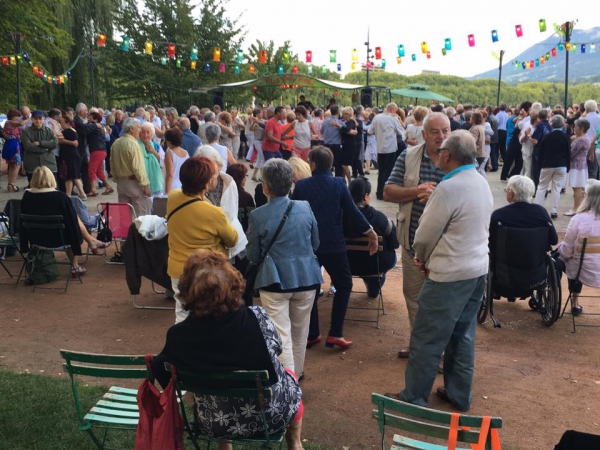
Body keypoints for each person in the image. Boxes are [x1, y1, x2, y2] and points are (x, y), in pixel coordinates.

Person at [153, 249, 303, 449]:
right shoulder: (257, 318)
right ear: (233, 283)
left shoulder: (178, 336)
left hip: (214, 422)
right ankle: (295, 444)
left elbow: (162, 370)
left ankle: (225, 446)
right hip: (270, 417)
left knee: (219, 395)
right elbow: (276, 348)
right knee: (291, 377)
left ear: (187, 288)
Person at [394, 130, 493, 412]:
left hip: (449, 274)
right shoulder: (480, 181)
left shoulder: (448, 188)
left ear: (447, 156)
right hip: (476, 270)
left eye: (441, 152)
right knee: (463, 335)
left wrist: (421, 259)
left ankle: (413, 398)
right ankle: (458, 394)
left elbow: (424, 236)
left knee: (427, 338)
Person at [292, 146, 378, 349]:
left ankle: (312, 333)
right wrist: (371, 232)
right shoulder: (339, 183)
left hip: (309, 245)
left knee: (311, 287)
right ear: (330, 164)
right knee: (344, 284)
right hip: (333, 244)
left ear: (312, 164)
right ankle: (335, 332)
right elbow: (353, 212)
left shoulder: (302, 186)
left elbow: (294, 214)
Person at [247, 159, 322, 377]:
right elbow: (315, 243)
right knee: (300, 332)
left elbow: (253, 255)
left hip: (273, 281)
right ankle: (296, 374)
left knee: (282, 335)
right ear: (291, 183)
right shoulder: (305, 207)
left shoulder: (257, 215)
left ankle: (288, 381)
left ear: (265, 187)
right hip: (307, 276)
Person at [383, 112, 449, 358]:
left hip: (446, 247)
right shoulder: (408, 155)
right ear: (423, 134)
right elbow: (388, 192)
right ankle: (419, 345)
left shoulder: (460, 159)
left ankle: (439, 351)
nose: (441, 137)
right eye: (435, 132)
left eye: (445, 131)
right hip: (412, 244)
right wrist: (416, 190)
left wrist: (440, 197)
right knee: (414, 298)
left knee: (442, 302)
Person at [166, 157, 238, 323]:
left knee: (182, 313)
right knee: (210, 315)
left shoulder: (173, 197)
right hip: (206, 272)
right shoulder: (213, 213)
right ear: (206, 184)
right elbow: (232, 239)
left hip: (178, 268)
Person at [20, 167, 111, 276]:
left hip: (36, 238)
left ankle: (91, 241)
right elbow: (71, 223)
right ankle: (76, 265)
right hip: (60, 239)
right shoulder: (60, 197)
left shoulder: (27, 196)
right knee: (72, 223)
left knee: (71, 220)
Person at [489, 176, 558, 284]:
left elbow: (491, 243)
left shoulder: (499, 215)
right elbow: (553, 240)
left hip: (504, 273)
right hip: (535, 271)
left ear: (511, 194)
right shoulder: (541, 212)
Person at [347, 178, 399, 297]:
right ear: (366, 196)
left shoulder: (340, 216)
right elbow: (395, 243)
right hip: (375, 265)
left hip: (347, 265)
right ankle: (374, 289)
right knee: (388, 257)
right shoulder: (379, 218)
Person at [558, 179, 600, 316]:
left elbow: (567, 251)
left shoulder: (578, 219)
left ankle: (574, 302)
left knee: (565, 259)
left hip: (581, 270)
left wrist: (559, 251)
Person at [110, 118, 152, 216]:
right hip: (134, 184)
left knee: (124, 216)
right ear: (131, 129)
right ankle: (138, 232)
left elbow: (112, 164)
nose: (140, 130)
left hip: (121, 183)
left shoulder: (116, 143)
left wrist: (116, 178)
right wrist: (145, 185)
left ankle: (126, 232)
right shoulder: (133, 144)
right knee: (140, 217)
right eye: (138, 128)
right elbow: (138, 168)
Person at [534, 115, 571, 219]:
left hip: (547, 164)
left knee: (542, 187)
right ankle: (554, 210)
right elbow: (568, 152)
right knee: (557, 188)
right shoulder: (566, 137)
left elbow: (541, 152)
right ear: (563, 124)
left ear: (551, 124)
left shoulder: (547, 137)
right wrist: (568, 165)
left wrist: (540, 165)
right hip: (561, 165)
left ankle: (537, 207)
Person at [368, 103, 404, 200]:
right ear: (393, 110)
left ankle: (379, 191)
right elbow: (402, 132)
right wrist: (399, 120)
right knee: (388, 171)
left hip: (380, 148)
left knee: (381, 171)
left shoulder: (376, 118)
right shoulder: (393, 119)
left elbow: (370, 131)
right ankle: (384, 192)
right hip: (391, 148)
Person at [20, 110, 58, 183]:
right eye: (36, 118)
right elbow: (28, 146)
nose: (38, 121)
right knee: (33, 185)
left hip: (48, 163)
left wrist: (40, 143)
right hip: (32, 164)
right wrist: (46, 148)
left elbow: (55, 143)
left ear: (43, 119)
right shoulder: (26, 131)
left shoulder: (49, 131)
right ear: (32, 119)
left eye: (40, 118)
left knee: (50, 185)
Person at [565, 119, 592, 216]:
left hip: (576, 166)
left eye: (576, 127)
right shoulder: (585, 137)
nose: (574, 129)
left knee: (576, 188)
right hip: (581, 165)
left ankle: (576, 208)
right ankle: (578, 207)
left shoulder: (581, 139)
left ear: (582, 128)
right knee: (577, 187)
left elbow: (571, 153)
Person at [84, 111, 114, 197]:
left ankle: (93, 190)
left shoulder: (92, 126)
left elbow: (84, 128)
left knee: (91, 170)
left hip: (96, 150)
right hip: (102, 150)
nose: (88, 118)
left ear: (95, 119)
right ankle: (108, 186)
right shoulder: (102, 126)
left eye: (90, 117)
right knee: (99, 170)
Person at [57, 114, 85, 198]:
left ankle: (81, 193)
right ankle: (69, 194)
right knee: (71, 176)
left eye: (62, 122)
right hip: (72, 156)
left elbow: (59, 139)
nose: (60, 124)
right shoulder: (73, 130)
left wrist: (54, 125)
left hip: (69, 156)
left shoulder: (67, 131)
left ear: (67, 123)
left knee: (72, 176)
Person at [226, 164, 255, 233]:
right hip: (242, 232)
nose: (246, 178)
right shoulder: (247, 197)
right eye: (245, 175)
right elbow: (251, 219)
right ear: (241, 178)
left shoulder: (224, 193)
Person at [138, 122, 164, 196]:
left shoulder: (156, 146)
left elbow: (163, 162)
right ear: (139, 134)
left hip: (156, 182)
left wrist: (153, 151)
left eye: (148, 132)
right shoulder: (136, 146)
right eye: (143, 132)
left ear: (152, 134)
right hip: (141, 183)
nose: (145, 135)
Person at [1, 109, 23, 192]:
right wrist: (28, 118)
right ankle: (13, 184)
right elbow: (21, 123)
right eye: (17, 116)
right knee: (17, 165)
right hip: (14, 146)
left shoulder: (7, 123)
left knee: (11, 165)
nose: (18, 118)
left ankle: (10, 184)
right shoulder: (10, 122)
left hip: (10, 144)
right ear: (13, 116)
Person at [163, 127, 189, 194]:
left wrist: (167, 192)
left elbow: (170, 174)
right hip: (183, 185)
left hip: (172, 185)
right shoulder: (186, 153)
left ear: (168, 140)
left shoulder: (169, 153)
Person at [519, 111, 539, 179]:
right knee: (528, 170)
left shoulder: (539, 127)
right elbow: (521, 140)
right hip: (528, 150)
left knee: (532, 170)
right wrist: (527, 135)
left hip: (535, 151)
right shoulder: (528, 126)